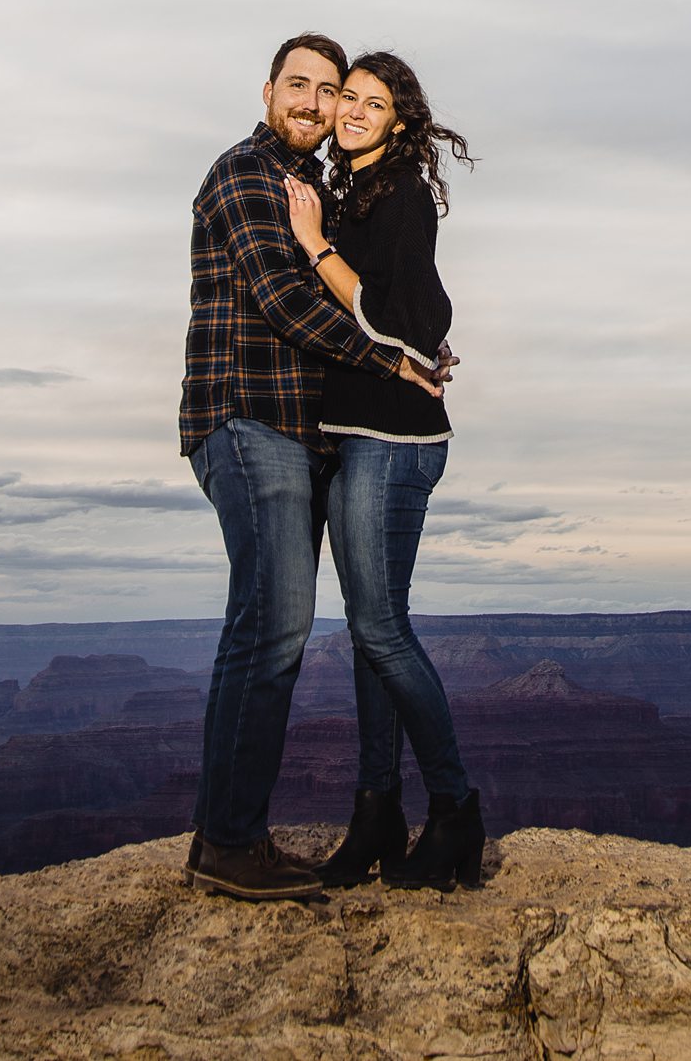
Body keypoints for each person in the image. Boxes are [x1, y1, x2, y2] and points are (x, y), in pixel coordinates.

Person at [179, 32, 444, 901]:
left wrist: (405, 336)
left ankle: (230, 836)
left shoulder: (320, 189)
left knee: (281, 626)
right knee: (273, 626)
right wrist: (391, 358)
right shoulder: (244, 176)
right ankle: (228, 839)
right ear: (267, 91)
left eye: (330, 90)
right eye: (300, 84)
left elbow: (389, 287)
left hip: (297, 434)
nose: (316, 101)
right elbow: (286, 300)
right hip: (246, 421)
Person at [283, 50, 484, 891]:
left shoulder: (398, 194)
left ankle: (454, 812)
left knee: (382, 631)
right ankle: (376, 814)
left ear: (400, 118)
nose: (356, 111)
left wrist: (314, 245)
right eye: (347, 99)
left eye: (374, 101)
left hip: (392, 441)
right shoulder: (355, 187)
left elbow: (405, 310)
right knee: (369, 634)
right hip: (355, 433)